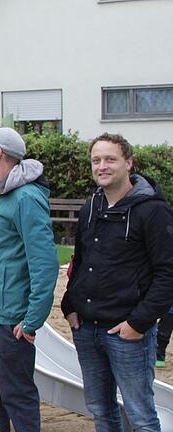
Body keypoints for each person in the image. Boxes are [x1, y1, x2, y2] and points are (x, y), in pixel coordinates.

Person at [61, 132, 173, 432]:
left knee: (140, 416)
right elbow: (81, 262)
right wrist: (69, 304)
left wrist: (139, 322)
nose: (102, 166)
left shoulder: (153, 211)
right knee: (100, 410)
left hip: (127, 333)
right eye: (96, 160)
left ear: (129, 163)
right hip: (86, 329)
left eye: (110, 159)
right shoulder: (91, 208)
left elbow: (168, 274)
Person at [0, 127, 59, 432]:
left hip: (10, 322)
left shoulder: (25, 198)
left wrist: (33, 319)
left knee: (17, 396)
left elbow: (45, 263)